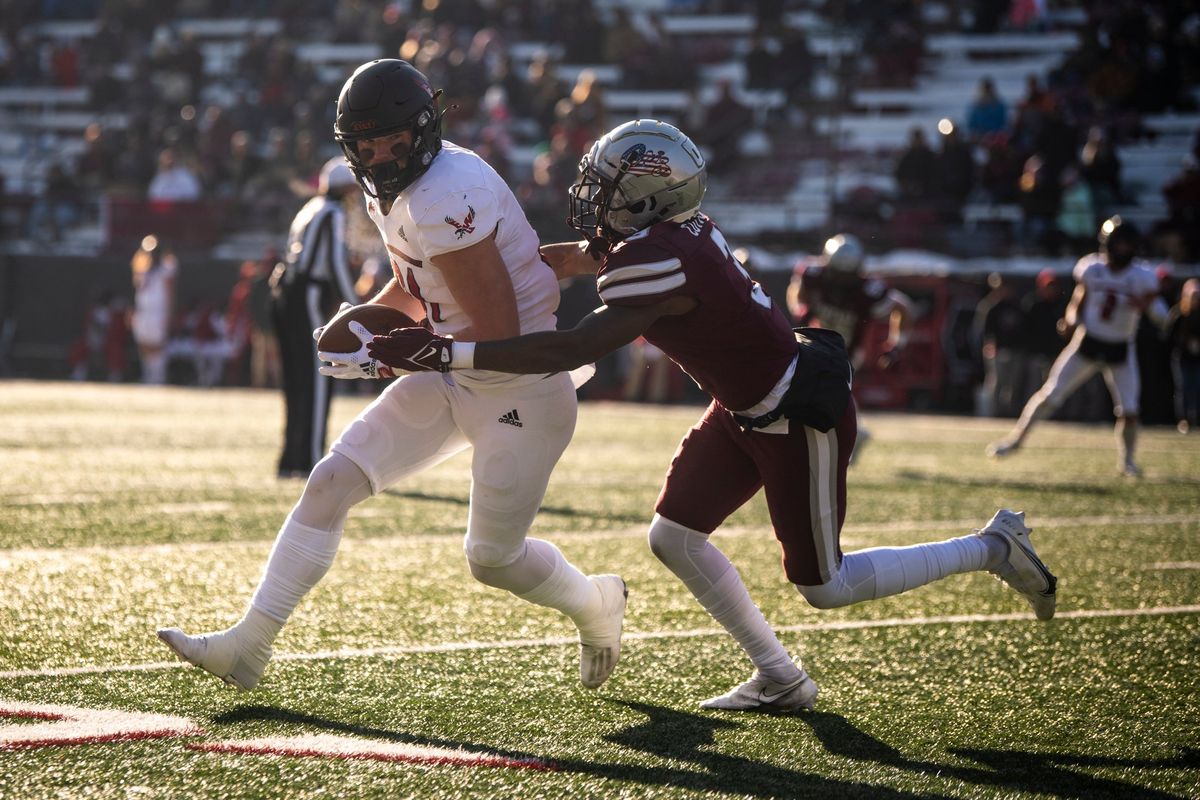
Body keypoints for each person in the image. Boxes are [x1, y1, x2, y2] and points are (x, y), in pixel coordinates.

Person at [366, 119, 1058, 713]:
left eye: (605, 187)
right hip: (743, 408)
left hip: (795, 414)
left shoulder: (656, 261)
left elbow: (578, 345)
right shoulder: (666, 237)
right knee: (674, 536)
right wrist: (469, 270)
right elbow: (572, 259)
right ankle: (780, 677)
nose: (592, 198)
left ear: (645, 197)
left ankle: (993, 546)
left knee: (825, 585)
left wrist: (448, 348)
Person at [157, 59, 626, 693]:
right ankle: (249, 645)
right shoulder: (396, 189)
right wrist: (363, 319)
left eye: (394, 140)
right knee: (329, 482)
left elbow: (495, 335)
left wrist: (391, 353)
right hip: (458, 370)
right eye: (367, 144)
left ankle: (596, 603)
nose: (381, 156)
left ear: (426, 130)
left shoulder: (443, 191)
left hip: (517, 385)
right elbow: (416, 282)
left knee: (492, 559)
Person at [988, 217, 1168, 476]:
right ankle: (1016, 439)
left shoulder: (1142, 276)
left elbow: (1159, 312)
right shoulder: (1092, 268)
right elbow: (1078, 300)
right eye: (1120, 245)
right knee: (1050, 394)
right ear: (1108, 245)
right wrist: (1071, 320)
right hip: (1088, 342)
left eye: (1128, 246)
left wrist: (1153, 310)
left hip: (1120, 348)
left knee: (1130, 411)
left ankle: (1127, 461)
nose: (1123, 251)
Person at [786, 232, 915, 463]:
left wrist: (897, 345)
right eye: (839, 275)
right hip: (815, 344)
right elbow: (796, 291)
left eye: (848, 276)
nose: (843, 282)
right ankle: (852, 434)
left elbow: (903, 308)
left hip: (847, 350)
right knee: (823, 394)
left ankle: (851, 434)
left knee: (829, 393)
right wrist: (800, 308)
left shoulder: (868, 290)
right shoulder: (812, 274)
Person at [270, 156, 361, 479]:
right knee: (317, 377)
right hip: (308, 294)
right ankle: (309, 458)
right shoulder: (333, 212)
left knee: (295, 381)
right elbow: (336, 263)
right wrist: (357, 305)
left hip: (285, 291)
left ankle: (290, 458)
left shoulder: (309, 208)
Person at [130, 235, 177, 385]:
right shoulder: (143, 268)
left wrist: (169, 313)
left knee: (157, 345)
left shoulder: (166, 267)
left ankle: (158, 378)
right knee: (143, 343)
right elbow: (137, 283)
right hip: (144, 310)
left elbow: (170, 290)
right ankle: (147, 376)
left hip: (158, 311)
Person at [1165, 278, 1200, 434]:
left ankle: (1195, 419)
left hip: (1197, 359)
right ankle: (1184, 420)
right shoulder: (1178, 314)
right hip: (1182, 358)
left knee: (1196, 388)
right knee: (1184, 388)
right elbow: (1169, 337)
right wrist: (1185, 343)